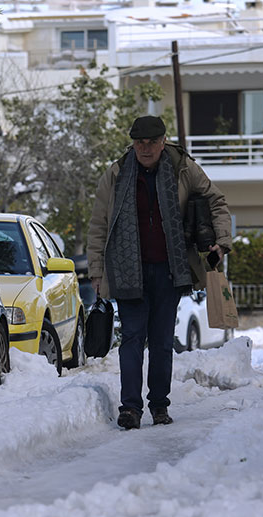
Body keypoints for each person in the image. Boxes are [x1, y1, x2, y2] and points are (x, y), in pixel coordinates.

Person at [86, 115, 232, 430]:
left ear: (163, 141)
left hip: (169, 269)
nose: (146, 148)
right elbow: (99, 225)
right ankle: (130, 408)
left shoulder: (183, 168)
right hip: (127, 270)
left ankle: (160, 405)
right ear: (133, 143)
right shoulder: (116, 173)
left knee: (163, 341)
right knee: (132, 339)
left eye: (152, 142)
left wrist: (221, 240)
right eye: (140, 142)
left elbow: (216, 201)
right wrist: (96, 270)